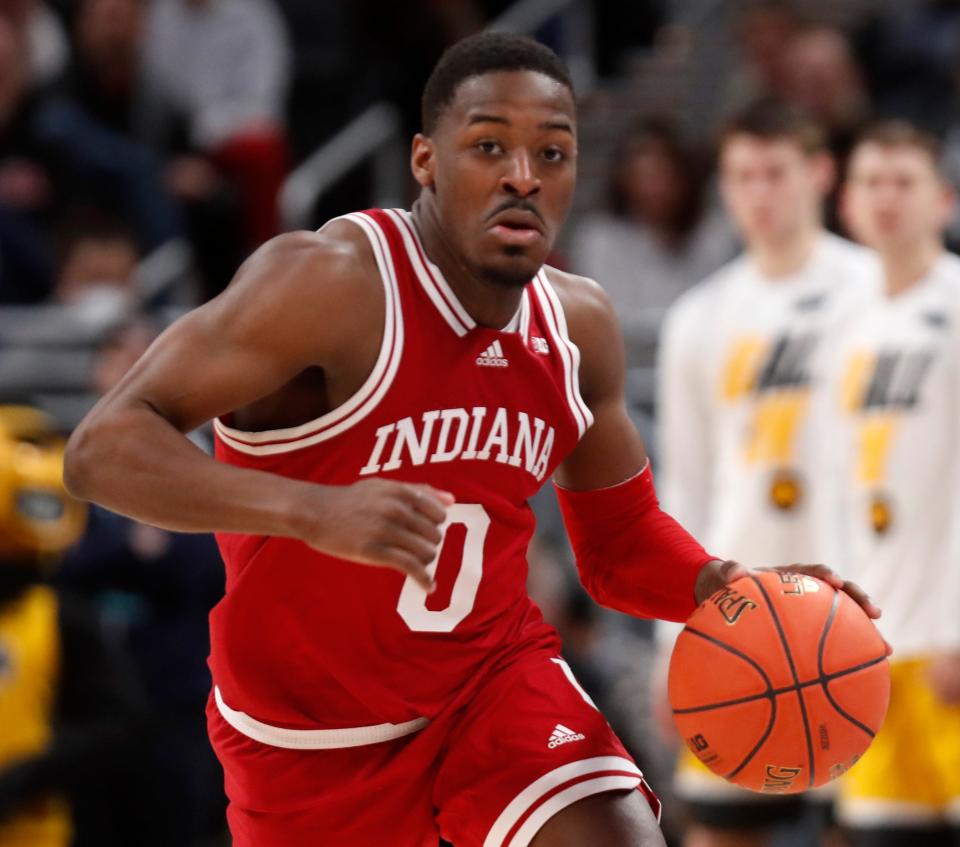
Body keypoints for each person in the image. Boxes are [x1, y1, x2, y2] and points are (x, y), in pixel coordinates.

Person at [63, 34, 879, 847]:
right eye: (490, 145)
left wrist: (718, 584)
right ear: (425, 160)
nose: (523, 175)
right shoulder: (326, 282)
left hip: (492, 686)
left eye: (552, 153)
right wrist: (312, 510)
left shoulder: (579, 325)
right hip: (308, 734)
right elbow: (102, 449)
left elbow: (617, 543)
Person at [656, 99, 877, 847]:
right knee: (720, 832)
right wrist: (672, 646)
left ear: (821, 173)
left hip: (871, 604)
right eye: (741, 175)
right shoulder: (699, 315)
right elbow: (684, 486)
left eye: (775, 172)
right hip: (741, 614)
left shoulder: (882, 291)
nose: (758, 192)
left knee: (866, 829)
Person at [830, 121, 960, 847]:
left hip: (949, 635)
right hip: (875, 644)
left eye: (903, 182)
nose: (886, 199)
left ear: (942, 200)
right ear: (846, 204)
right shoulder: (845, 327)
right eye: (870, 182)